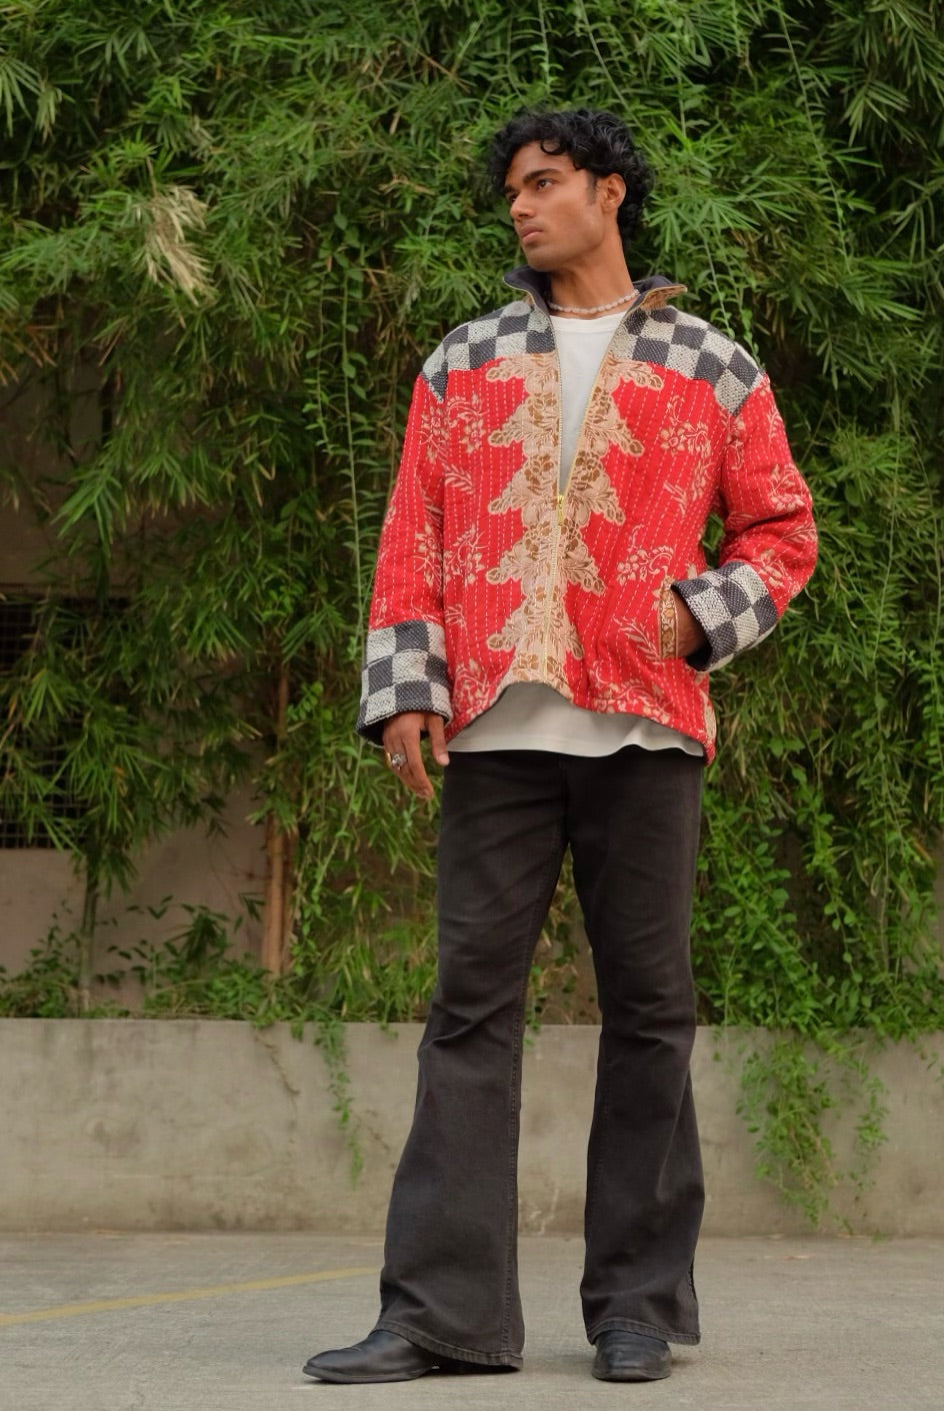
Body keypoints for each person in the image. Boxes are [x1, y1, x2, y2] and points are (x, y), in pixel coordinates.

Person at [302, 107, 817, 1386]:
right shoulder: (463, 359)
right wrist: (406, 688)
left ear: (610, 192)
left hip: (647, 729)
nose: (523, 209)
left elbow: (781, 533)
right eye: (512, 194)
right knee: (467, 1012)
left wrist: (695, 616)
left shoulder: (712, 363)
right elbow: (413, 531)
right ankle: (440, 1314)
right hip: (496, 732)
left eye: (544, 184)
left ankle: (636, 1305)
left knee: (649, 1013)